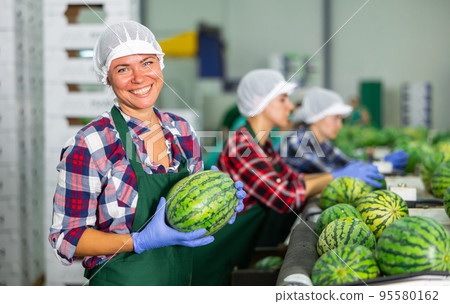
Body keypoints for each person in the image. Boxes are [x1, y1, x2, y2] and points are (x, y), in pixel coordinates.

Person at [48, 20, 245, 286]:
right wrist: (138, 241)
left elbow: (194, 210)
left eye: (147, 63)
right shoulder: (90, 143)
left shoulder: (181, 130)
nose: (139, 77)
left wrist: (222, 200)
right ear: (107, 77)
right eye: (123, 69)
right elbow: (65, 237)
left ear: (160, 65)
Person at [191, 69, 383, 286]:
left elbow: (294, 179)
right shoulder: (241, 145)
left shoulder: (264, 145)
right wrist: (335, 176)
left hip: (235, 250)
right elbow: (285, 196)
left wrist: (342, 175)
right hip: (214, 254)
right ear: (258, 101)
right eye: (282, 99)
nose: (291, 107)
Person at [279, 87, 409, 174]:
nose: (340, 126)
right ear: (317, 117)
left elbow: (347, 163)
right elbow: (330, 173)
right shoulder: (297, 141)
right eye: (335, 118)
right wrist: (375, 168)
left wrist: (383, 164)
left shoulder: (324, 144)